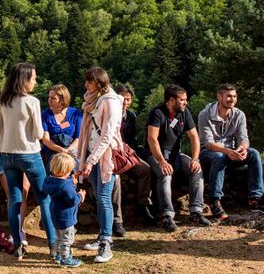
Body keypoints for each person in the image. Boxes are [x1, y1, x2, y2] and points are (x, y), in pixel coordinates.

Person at [0, 62, 56, 260]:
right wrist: (44, 132)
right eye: (34, 78)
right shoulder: (32, 102)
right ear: (24, 80)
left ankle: (17, 246)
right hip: (30, 155)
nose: (35, 82)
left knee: (14, 200)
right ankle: (54, 245)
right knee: (44, 199)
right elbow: (37, 133)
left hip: (8, 156)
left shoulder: (2, 101)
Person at [146, 84, 211, 232]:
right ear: (171, 100)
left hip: (175, 154)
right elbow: (152, 139)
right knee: (165, 174)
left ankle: (196, 211)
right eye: (182, 100)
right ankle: (167, 216)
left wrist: (195, 159)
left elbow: (194, 137)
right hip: (156, 154)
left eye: (185, 99)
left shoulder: (184, 113)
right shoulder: (157, 113)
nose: (185, 102)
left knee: (196, 170)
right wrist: (161, 161)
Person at [76, 66, 122, 264]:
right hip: (92, 156)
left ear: (99, 83)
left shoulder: (111, 101)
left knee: (104, 197)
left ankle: (106, 241)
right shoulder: (94, 100)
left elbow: (107, 136)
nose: (86, 84)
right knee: (99, 196)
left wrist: (90, 160)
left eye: (89, 81)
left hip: (104, 158)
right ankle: (102, 235)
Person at [198, 83, 264, 219]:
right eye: (228, 96)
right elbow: (208, 143)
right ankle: (215, 201)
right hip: (208, 153)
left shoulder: (239, 114)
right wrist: (227, 151)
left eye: (234, 96)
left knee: (254, 154)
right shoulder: (205, 114)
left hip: (231, 151)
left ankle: (255, 198)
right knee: (219, 156)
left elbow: (243, 137)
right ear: (219, 97)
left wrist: (243, 148)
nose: (232, 99)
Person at [110, 84, 154, 235]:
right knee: (115, 180)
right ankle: (117, 221)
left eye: (128, 99)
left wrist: (133, 153)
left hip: (126, 154)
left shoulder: (131, 116)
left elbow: (132, 139)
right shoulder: (108, 113)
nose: (125, 102)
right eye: (122, 98)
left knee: (145, 169)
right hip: (110, 155)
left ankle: (143, 205)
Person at [43, 153, 85, 268]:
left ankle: (57, 255)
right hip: (66, 216)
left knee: (58, 237)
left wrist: (72, 181)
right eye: (70, 171)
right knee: (67, 239)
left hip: (56, 215)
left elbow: (63, 187)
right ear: (65, 170)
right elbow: (72, 199)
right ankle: (65, 258)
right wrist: (81, 196)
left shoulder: (49, 180)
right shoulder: (66, 185)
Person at [0, 141, 30, 245]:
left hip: (26, 156)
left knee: (23, 193)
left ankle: (19, 230)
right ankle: (15, 233)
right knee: (12, 194)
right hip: (5, 156)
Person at [40, 84, 82, 174]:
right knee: (56, 163)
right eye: (49, 97)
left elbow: (79, 138)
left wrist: (68, 151)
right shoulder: (45, 114)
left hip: (71, 151)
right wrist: (61, 150)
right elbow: (46, 140)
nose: (49, 100)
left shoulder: (75, 113)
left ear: (63, 100)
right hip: (52, 151)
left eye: (53, 98)